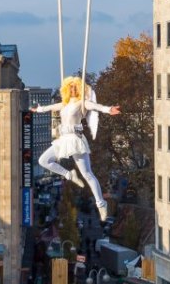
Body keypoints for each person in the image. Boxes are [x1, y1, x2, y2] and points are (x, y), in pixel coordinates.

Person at [32, 76, 120, 221]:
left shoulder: (82, 103)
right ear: (67, 89)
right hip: (63, 140)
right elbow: (49, 107)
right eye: (70, 87)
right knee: (43, 160)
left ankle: (101, 204)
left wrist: (108, 109)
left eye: (75, 87)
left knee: (87, 174)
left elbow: (96, 106)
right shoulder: (64, 104)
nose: (72, 89)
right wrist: (38, 109)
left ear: (79, 89)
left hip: (75, 139)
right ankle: (69, 175)